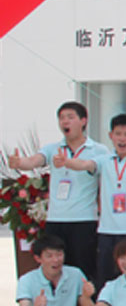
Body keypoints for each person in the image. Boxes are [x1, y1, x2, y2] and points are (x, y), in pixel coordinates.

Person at [7, 101, 107, 280]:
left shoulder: (98, 150)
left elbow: (87, 165)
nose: (65, 122)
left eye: (70, 117)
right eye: (61, 118)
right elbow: (34, 161)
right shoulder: (52, 148)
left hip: (83, 220)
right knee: (55, 270)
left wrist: (68, 162)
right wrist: (19, 163)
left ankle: (85, 300)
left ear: (83, 121)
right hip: (56, 220)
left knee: (84, 270)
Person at [57, 114, 126, 288]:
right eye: (118, 134)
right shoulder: (104, 160)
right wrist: (67, 162)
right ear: (111, 136)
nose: (122, 139)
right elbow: (85, 165)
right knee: (105, 280)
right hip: (106, 232)